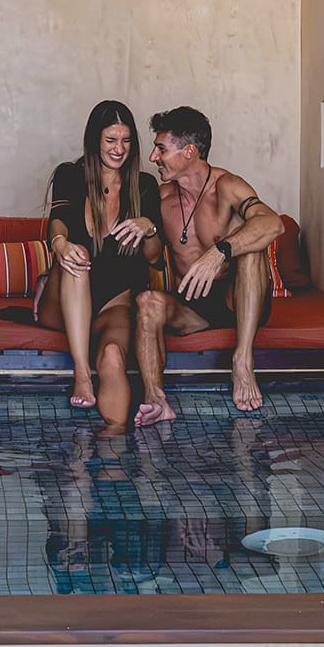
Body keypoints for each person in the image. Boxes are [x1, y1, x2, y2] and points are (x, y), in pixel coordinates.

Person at [133, 105, 285, 422]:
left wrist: (220, 252)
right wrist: (147, 229)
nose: (153, 158)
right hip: (193, 305)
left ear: (189, 152)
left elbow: (272, 224)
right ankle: (156, 400)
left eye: (161, 148)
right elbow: (151, 257)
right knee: (146, 302)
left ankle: (242, 361)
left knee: (252, 249)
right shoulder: (161, 199)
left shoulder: (227, 187)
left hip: (239, 297)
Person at [37, 100, 164, 426]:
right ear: (95, 140)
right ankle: (81, 373)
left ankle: (114, 453)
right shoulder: (70, 175)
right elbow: (59, 221)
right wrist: (60, 244)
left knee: (111, 358)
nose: (119, 149)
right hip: (64, 299)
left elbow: (152, 256)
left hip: (114, 301)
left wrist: (147, 226)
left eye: (125, 140)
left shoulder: (145, 186)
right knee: (77, 257)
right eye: (111, 140)